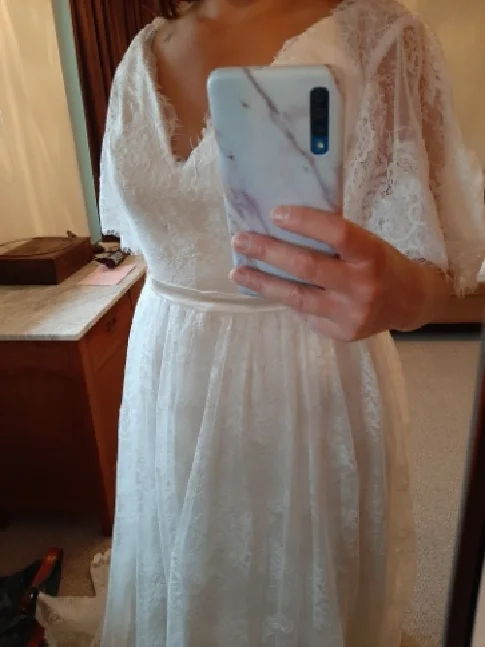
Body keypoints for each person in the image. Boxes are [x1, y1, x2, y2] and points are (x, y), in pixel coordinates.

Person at [37, 0, 485, 645]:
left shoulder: (383, 37)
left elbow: (443, 269)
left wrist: (405, 295)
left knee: (297, 581)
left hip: (308, 375)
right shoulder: (143, 50)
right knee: (185, 562)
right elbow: (140, 237)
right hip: (168, 369)